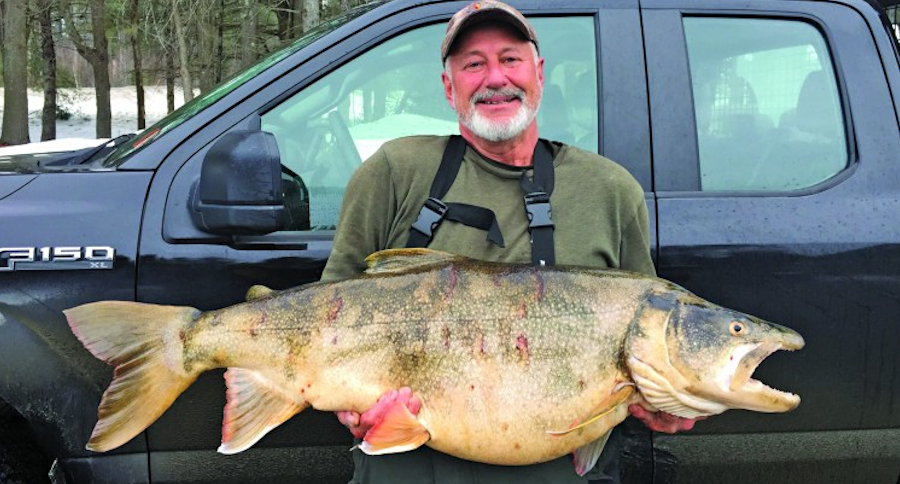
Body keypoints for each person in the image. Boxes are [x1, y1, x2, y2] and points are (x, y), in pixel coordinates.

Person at [320, 2, 698, 482]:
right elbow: (328, 311)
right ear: (448, 85)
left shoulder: (609, 191)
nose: (495, 77)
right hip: (410, 458)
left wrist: (666, 399)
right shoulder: (393, 172)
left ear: (538, 73)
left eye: (510, 59)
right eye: (473, 64)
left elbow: (644, 339)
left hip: (559, 465)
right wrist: (349, 399)